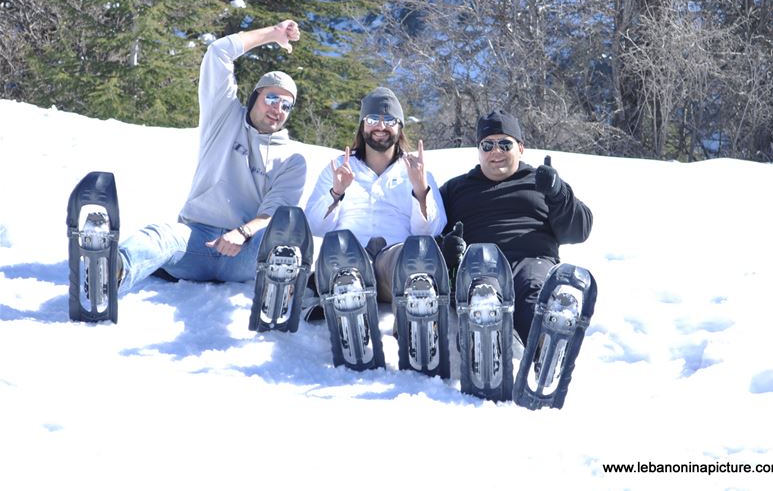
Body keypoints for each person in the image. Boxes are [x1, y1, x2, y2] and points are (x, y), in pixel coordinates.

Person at [116, 19, 306, 293]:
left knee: (282, 234)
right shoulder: (223, 116)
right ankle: (111, 272)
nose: (278, 108)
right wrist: (272, 34)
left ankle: (279, 294)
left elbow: (272, 214)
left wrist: (242, 233)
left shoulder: (291, 159)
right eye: (272, 99)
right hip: (195, 240)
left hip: (245, 252)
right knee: (159, 235)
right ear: (255, 97)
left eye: (286, 105)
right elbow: (219, 52)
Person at [439, 109, 593, 342]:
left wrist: (558, 193)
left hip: (533, 258)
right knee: (485, 293)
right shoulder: (456, 188)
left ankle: (545, 345)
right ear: (479, 151)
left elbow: (579, 231)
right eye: (487, 145)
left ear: (520, 147)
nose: (496, 151)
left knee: (534, 291)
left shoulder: (541, 181)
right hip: (481, 262)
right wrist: (447, 247)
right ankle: (497, 345)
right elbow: (433, 229)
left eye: (504, 144)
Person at [304, 87, 447, 302]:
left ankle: (415, 319)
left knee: (409, 259)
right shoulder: (339, 167)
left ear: (400, 127)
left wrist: (420, 191)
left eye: (389, 120)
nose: (381, 127)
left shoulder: (417, 170)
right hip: (347, 257)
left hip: (394, 265)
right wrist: (336, 193)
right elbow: (315, 226)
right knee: (345, 256)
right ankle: (350, 307)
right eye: (372, 119)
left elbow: (431, 231)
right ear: (362, 125)